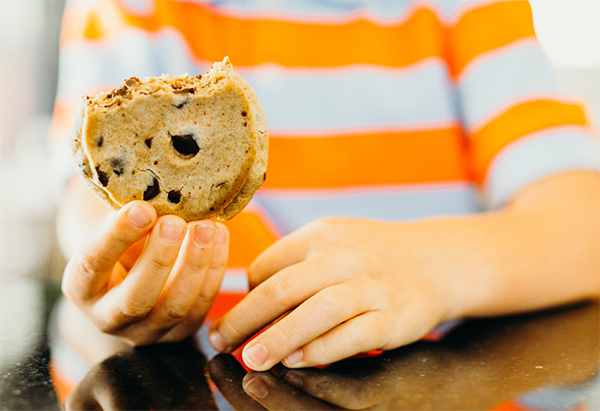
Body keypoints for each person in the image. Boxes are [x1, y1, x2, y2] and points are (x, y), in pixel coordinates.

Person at [51, 0, 600, 374]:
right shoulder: (132, 9)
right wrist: (121, 276)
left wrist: (435, 264)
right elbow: (89, 194)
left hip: (433, 374)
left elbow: (584, 228)